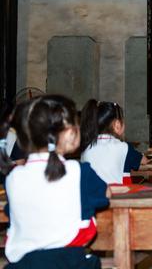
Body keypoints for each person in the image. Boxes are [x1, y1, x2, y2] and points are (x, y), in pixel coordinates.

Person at [1, 95, 109, 268]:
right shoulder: (79, 171)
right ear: (70, 133)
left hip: (22, 264)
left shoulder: (13, 178)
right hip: (70, 262)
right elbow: (105, 194)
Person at [80, 99, 147, 185]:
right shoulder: (124, 148)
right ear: (117, 125)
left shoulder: (86, 148)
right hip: (119, 193)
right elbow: (144, 161)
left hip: (92, 193)